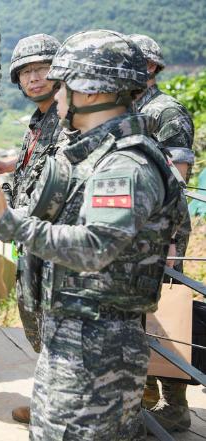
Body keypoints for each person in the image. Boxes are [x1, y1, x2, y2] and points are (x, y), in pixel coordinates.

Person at [0, 29, 185, 440]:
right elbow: (50, 219)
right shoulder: (95, 154)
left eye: (63, 82)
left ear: (88, 90)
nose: (56, 92)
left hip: (98, 347)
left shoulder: (125, 165)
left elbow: (93, 248)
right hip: (72, 335)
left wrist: (4, 223)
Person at [129, 33, 196, 432]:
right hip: (130, 230)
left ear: (152, 66)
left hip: (161, 231)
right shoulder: (125, 108)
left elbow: (177, 179)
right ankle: (144, 397)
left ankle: (175, 406)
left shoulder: (165, 111)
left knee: (165, 314)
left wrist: (169, 241)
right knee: (135, 316)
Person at [1, 33, 65, 424]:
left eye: (42, 68)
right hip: (31, 244)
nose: (34, 77)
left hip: (56, 245)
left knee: (58, 333)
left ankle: (58, 410)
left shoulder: (70, 121)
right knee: (36, 326)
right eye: (26, 72)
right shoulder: (39, 122)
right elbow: (26, 176)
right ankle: (47, 400)